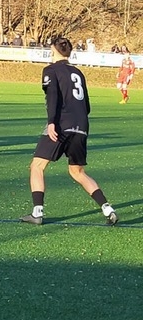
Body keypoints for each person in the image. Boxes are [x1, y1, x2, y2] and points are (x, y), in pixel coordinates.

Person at [21, 37, 118, 226]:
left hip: (61, 124)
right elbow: (86, 105)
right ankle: (108, 209)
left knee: (37, 166)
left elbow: (53, 96)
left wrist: (52, 122)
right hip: (81, 125)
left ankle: (37, 212)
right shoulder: (78, 73)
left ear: (54, 50)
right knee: (77, 171)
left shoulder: (50, 70)